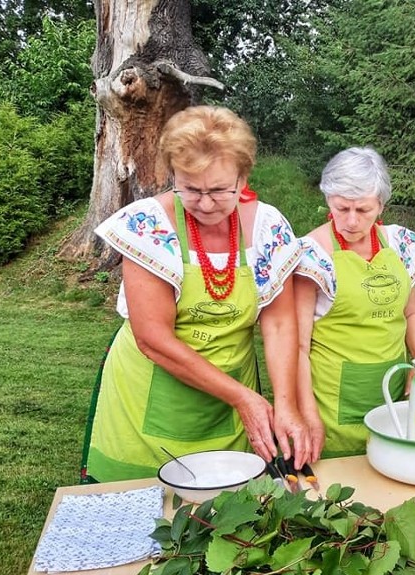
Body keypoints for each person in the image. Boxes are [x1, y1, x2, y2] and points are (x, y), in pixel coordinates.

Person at [80, 105, 317, 483]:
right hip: (150, 401)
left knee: (230, 520)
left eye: (220, 190)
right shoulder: (148, 227)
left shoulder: (267, 228)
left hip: (231, 403)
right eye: (190, 189)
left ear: (243, 177)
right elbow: (153, 339)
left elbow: (280, 324)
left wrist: (285, 405)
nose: (206, 204)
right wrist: (244, 398)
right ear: (172, 174)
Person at [294, 147, 415, 457]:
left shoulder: (399, 245)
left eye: (364, 210)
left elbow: (412, 312)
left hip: (394, 395)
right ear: (328, 199)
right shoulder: (312, 254)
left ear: (381, 205)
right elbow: (298, 346)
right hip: (333, 402)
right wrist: (309, 414)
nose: (352, 221)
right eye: (342, 209)